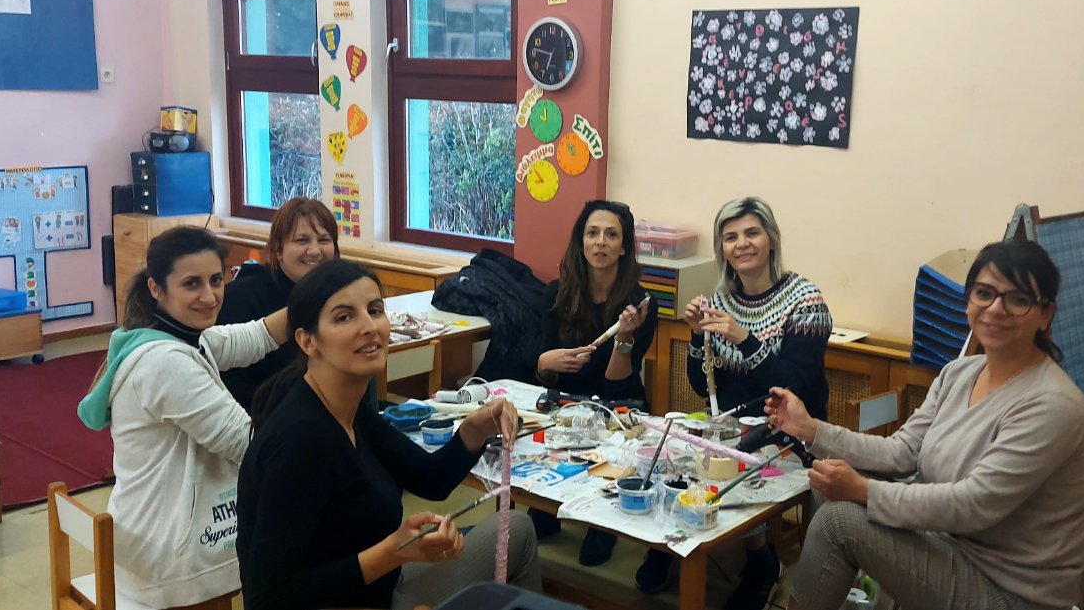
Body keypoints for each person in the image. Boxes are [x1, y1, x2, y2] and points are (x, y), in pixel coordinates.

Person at [767, 239, 1084, 610]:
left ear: (1046, 314)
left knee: (838, 520)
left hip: (1011, 591)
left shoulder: (1052, 404)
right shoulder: (960, 373)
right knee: (827, 486)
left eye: (1017, 299)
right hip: (952, 547)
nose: (995, 309)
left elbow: (973, 504)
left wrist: (863, 490)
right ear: (968, 301)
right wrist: (810, 428)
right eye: (984, 293)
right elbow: (902, 451)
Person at [237, 259, 541, 610]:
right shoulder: (301, 440)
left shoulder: (350, 411)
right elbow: (269, 598)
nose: (369, 327)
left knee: (517, 528)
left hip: (384, 585)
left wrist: (475, 427)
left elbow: (431, 479)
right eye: (344, 317)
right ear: (308, 341)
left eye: (375, 310)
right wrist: (392, 552)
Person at [76, 226, 292, 609]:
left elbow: (256, 336)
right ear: (156, 288)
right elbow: (247, 444)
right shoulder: (166, 363)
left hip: (142, 539)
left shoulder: (175, 337)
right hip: (169, 558)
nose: (209, 296)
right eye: (192, 284)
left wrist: (315, 297)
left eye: (216, 280)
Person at [635, 196, 832, 610]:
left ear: (771, 239)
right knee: (664, 451)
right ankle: (668, 543)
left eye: (751, 233)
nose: (742, 244)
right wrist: (697, 335)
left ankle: (761, 561)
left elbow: (796, 385)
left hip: (788, 434)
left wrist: (743, 337)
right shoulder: (721, 300)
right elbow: (701, 384)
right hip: (728, 426)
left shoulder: (806, 301)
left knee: (723, 466)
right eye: (730, 237)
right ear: (721, 248)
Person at [530, 200, 658, 565]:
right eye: (593, 233)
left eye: (611, 234)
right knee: (537, 521)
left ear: (623, 247)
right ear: (581, 241)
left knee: (614, 447)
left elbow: (618, 383)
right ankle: (547, 504)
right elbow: (542, 375)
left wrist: (624, 339)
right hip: (566, 402)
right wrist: (545, 362)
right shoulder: (555, 293)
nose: (601, 242)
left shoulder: (640, 304)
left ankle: (602, 525)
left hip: (619, 405)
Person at [217, 197, 376, 413]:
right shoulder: (242, 297)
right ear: (278, 249)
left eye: (324, 240)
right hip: (265, 419)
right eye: (302, 241)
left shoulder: (340, 295)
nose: (315, 251)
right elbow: (231, 388)